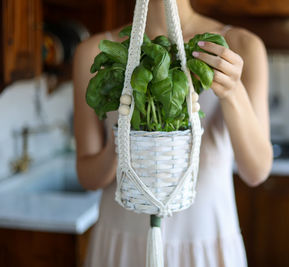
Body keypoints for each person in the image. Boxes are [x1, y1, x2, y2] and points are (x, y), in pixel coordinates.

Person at [73, 0, 273, 266]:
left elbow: (256, 170)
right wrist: (122, 141)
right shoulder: (94, 52)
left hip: (205, 241)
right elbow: (88, 177)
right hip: (122, 242)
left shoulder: (241, 45)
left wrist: (233, 92)